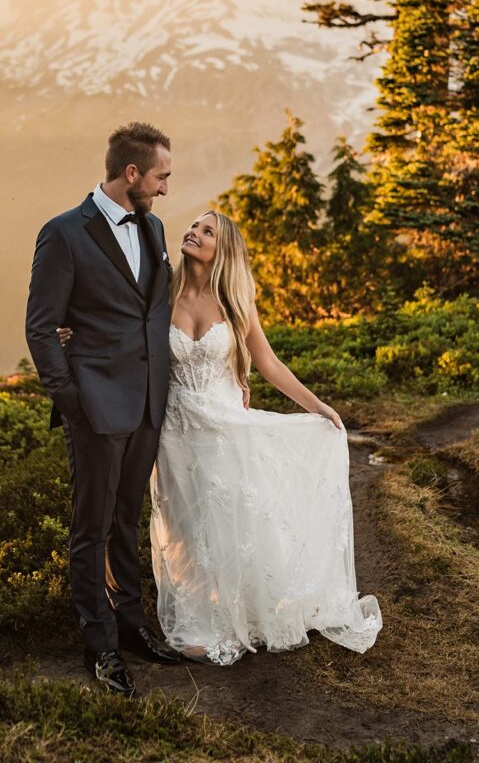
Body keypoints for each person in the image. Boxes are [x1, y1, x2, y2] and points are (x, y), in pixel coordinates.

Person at [59, 209, 382, 667]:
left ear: (222, 248)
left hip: (224, 427)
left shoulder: (234, 300)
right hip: (174, 432)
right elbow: (119, 323)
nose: (193, 232)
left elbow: (268, 364)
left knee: (232, 520)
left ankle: (244, 611)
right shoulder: (160, 292)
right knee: (186, 530)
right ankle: (199, 617)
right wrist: (72, 332)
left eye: (206, 231)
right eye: (193, 226)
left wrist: (317, 406)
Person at [25, 122, 181, 698]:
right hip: (94, 406)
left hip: (146, 402)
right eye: (161, 177)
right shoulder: (64, 234)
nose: (166, 189)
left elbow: (152, 312)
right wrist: (72, 400)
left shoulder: (156, 226)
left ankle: (133, 625)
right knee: (90, 527)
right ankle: (100, 645)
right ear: (132, 174)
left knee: (127, 517)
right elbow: (40, 328)